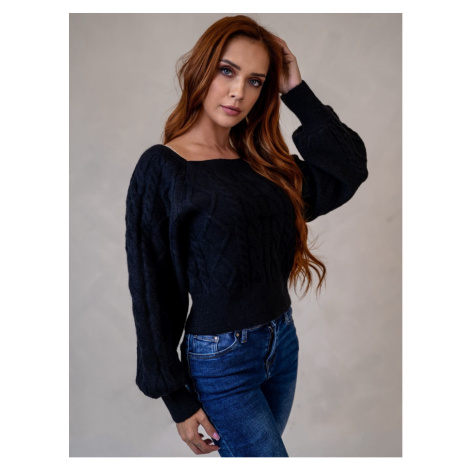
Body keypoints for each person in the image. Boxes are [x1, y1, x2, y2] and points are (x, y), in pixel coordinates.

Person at [125, 15, 368, 457]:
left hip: (282, 343)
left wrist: (297, 90)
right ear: (201, 69)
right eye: (227, 71)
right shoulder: (163, 169)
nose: (239, 91)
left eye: (255, 81)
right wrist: (177, 398)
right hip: (223, 360)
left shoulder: (264, 165)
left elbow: (347, 170)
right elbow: (151, 287)